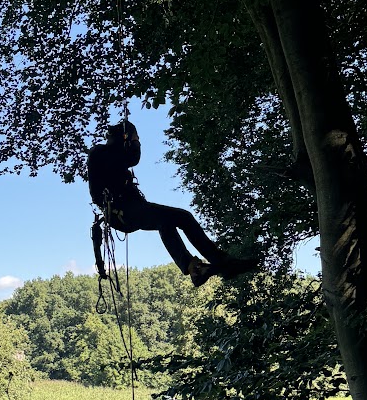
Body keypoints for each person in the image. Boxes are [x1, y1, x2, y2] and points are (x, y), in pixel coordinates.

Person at [87, 120, 258, 286]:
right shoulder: (100, 153)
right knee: (181, 218)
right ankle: (218, 264)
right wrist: (134, 139)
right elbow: (132, 158)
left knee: (168, 222)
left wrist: (130, 139)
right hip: (123, 211)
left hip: (127, 211)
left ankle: (196, 268)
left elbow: (126, 159)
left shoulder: (108, 156)